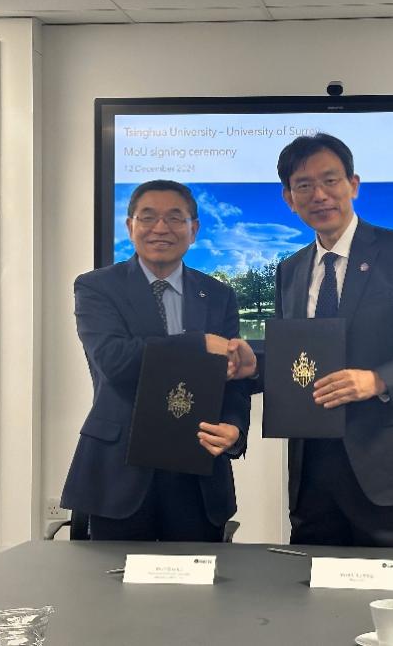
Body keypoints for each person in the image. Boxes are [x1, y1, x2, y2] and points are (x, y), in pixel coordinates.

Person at [230, 133, 393, 547]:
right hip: (313, 466)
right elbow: (299, 359)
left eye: (330, 180)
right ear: (289, 198)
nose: (319, 195)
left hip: (389, 460)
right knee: (311, 578)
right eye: (304, 185)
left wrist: (377, 379)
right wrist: (257, 367)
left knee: (390, 580)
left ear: (353, 185)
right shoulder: (291, 270)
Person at [61, 180, 251, 541]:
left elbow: (233, 376)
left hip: (199, 473)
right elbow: (115, 361)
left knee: (199, 578)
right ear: (130, 226)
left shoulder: (218, 295)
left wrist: (234, 427)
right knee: (112, 578)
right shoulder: (97, 287)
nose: (161, 228)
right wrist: (198, 343)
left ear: (194, 230)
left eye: (175, 218)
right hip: (119, 473)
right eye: (148, 217)